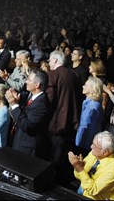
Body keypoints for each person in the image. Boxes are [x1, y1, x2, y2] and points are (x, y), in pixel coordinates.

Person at [46, 50, 80, 184]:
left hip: (56, 122)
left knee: (54, 156)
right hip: (71, 121)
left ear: (55, 60)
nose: (49, 63)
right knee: (64, 154)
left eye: (49, 60)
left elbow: (49, 99)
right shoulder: (74, 75)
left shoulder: (53, 75)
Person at [6, 69, 51, 159]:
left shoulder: (42, 104)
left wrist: (14, 105)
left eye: (29, 80)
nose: (26, 81)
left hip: (27, 149)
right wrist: (17, 102)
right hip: (19, 142)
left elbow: (26, 125)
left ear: (37, 85)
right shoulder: (32, 98)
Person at [68, 131, 114, 200]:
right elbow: (79, 177)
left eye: (95, 146)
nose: (91, 147)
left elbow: (93, 190)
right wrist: (78, 167)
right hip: (83, 193)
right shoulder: (94, 154)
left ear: (105, 152)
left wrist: (80, 169)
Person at [75, 76, 104, 155]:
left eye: (86, 85)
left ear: (92, 89)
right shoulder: (90, 103)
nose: (83, 86)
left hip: (85, 143)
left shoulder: (92, 107)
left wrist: (77, 143)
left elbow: (84, 127)